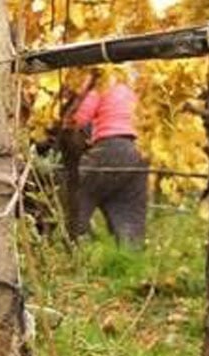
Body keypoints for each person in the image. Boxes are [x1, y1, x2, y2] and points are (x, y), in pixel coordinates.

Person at [67, 67, 150, 248]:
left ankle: (69, 247)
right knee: (128, 214)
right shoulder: (133, 84)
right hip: (139, 151)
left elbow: (80, 118)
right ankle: (130, 260)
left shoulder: (101, 81)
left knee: (75, 195)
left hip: (110, 147)